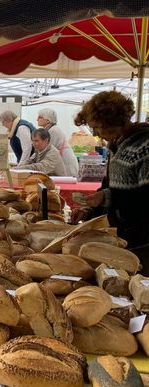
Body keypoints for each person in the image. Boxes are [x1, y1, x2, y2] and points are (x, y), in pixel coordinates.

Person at [71, 90, 149, 271]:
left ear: (113, 122)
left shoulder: (144, 146)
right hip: (121, 235)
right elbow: (108, 187)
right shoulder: (116, 145)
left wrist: (107, 197)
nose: (96, 134)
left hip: (141, 240)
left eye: (98, 127)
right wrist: (89, 209)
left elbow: (145, 200)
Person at [36, 108, 79, 177]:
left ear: (48, 120)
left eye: (40, 117)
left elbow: (46, 151)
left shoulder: (53, 131)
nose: (37, 119)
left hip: (66, 164)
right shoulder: (50, 130)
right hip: (64, 163)